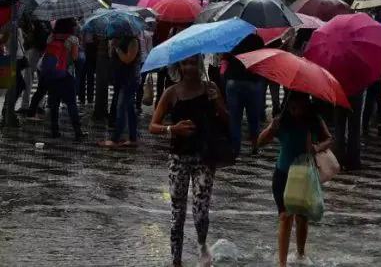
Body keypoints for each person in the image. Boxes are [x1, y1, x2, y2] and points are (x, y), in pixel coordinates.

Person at [149, 55, 228, 267]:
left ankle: (202, 245)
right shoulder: (171, 93)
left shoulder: (210, 88)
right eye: (185, 63)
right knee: (177, 213)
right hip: (178, 158)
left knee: (201, 211)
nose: (189, 67)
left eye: (193, 63)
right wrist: (172, 129)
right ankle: (176, 261)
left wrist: (218, 103)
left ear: (200, 64)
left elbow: (227, 120)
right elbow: (153, 125)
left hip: (204, 157)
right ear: (179, 66)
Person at [258, 92, 332, 267]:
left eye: (298, 101)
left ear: (305, 103)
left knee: (301, 217)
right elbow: (259, 142)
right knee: (285, 216)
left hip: (304, 176)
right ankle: (282, 264)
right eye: (291, 101)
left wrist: (316, 147)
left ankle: (300, 254)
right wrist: (271, 129)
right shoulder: (282, 120)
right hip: (283, 173)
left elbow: (329, 139)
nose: (293, 105)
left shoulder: (314, 120)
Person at [40, 18, 84, 141]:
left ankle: (54, 130)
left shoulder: (51, 37)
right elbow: (75, 58)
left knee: (54, 103)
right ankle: (77, 132)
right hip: (66, 74)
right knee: (71, 104)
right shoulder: (72, 39)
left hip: (51, 74)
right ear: (70, 26)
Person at [223, 34, 264, 156]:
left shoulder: (232, 37)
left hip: (233, 81)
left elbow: (225, 57)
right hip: (253, 80)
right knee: (254, 117)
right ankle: (254, 146)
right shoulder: (257, 40)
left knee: (235, 118)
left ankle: (235, 148)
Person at [99, 35, 140, 148]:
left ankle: (115, 139)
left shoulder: (133, 41)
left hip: (129, 80)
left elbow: (128, 59)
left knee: (121, 109)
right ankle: (133, 138)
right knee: (129, 109)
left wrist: (116, 48)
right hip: (121, 80)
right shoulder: (117, 39)